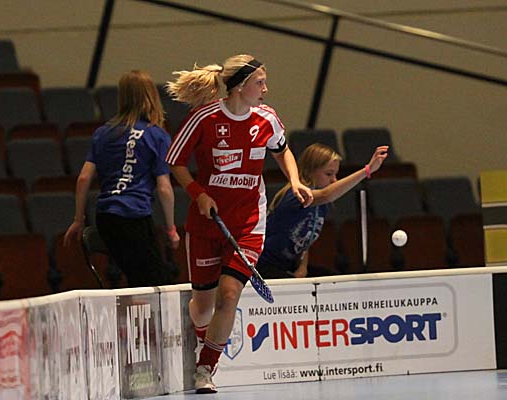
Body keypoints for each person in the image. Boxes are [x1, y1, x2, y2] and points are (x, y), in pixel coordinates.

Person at [165, 54, 313, 393]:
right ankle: (202, 336)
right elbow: (174, 161)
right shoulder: (204, 118)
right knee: (203, 308)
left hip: (248, 223)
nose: (265, 89)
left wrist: (294, 180)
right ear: (239, 87)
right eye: (260, 82)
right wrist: (199, 193)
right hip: (207, 224)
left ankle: (205, 368)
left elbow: (282, 150)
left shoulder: (267, 118)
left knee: (229, 295)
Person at [63, 70, 180, 287]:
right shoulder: (157, 135)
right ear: (151, 95)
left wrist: (79, 219)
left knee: (137, 276)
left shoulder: (103, 133)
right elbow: (164, 188)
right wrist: (171, 229)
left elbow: (83, 178)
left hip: (106, 217)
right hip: (134, 215)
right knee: (156, 283)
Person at [257, 143, 389, 279]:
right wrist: (367, 170)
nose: (334, 180)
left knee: (335, 280)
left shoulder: (321, 206)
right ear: (310, 171)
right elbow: (326, 194)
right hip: (264, 266)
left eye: (335, 174)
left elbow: (305, 239)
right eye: (329, 174)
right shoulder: (297, 196)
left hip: (289, 266)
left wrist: (302, 267)